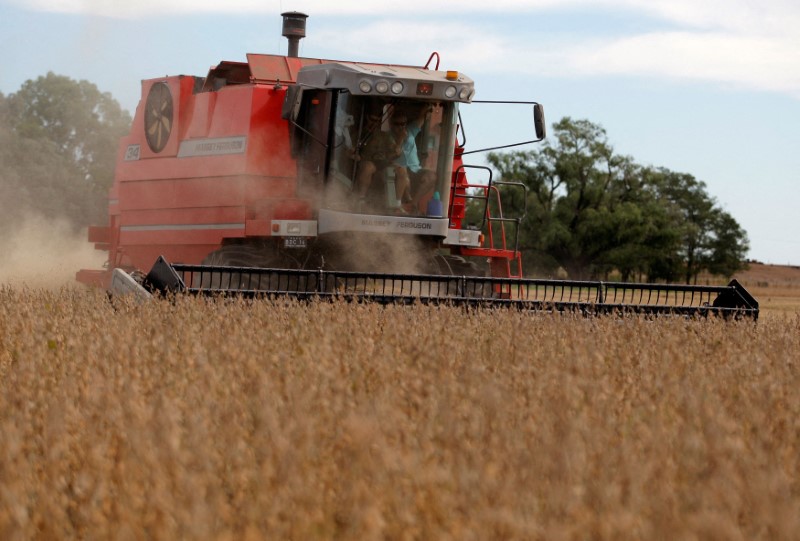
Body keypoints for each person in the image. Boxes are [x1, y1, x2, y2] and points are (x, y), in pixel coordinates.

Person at [390, 108, 436, 211]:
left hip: (415, 169)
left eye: (403, 124)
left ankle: (412, 204)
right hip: (397, 170)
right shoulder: (388, 136)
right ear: (392, 124)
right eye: (397, 124)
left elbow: (422, 118)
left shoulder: (410, 130)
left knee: (431, 176)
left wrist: (427, 107)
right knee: (403, 174)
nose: (401, 127)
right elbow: (395, 152)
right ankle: (397, 206)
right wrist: (400, 139)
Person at [353, 110, 403, 203]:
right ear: (367, 118)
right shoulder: (359, 134)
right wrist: (353, 155)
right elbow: (349, 150)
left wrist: (397, 149)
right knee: (369, 167)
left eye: (377, 120)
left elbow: (394, 151)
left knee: (401, 170)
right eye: (372, 119)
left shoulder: (384, 135)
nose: (374, 123)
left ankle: (397, 204)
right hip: (366, 161)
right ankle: (361, 199)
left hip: (382, 163)